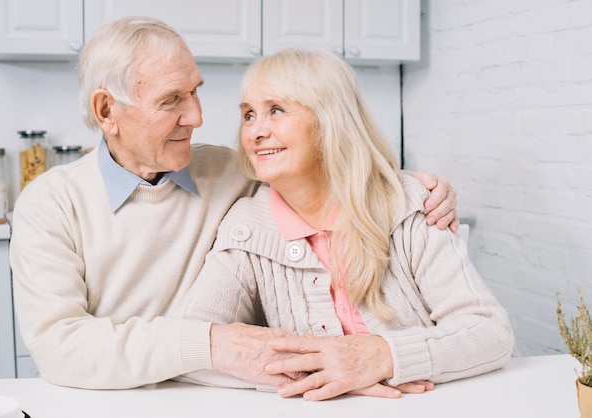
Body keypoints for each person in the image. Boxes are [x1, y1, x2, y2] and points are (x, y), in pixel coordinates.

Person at [9, 16, 459, 390]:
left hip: (217, 396)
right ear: (107, 112)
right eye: (172, 101)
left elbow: (326, 177)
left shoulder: (233, 173)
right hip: (103, 400)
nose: (197, 116)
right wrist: (210, 344)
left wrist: (411, 189)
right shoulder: (50, 205)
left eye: (195, 91)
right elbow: (60, 346)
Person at [178, 47, 516, 401]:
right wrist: (326, 371)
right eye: (248, 114)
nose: (255, 131)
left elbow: (490, 332)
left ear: (330, 119)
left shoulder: (411, 204)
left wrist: (383, 357)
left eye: (276, 110)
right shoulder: (247, 226)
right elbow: (192, 347)